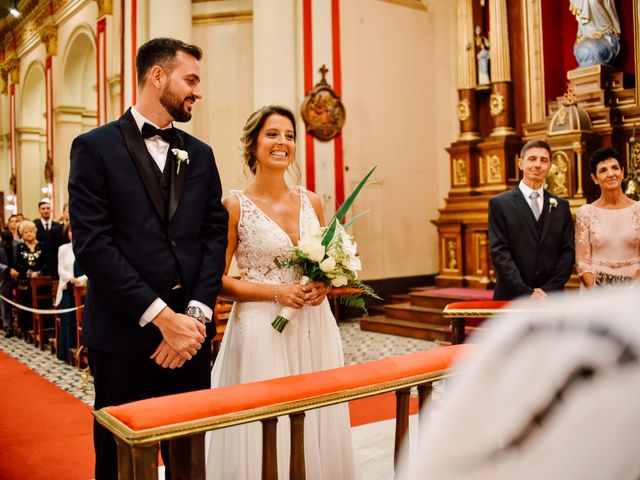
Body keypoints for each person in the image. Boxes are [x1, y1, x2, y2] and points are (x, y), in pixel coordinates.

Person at [69, 37, 228, 480]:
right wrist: (163, 319)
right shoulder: (94, 147)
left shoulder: (200, 154)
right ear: (157, 76)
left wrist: (193, 317)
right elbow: (94, 246)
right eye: (190, 79)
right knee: (122, 463)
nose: (198, 91)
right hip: (123, 338)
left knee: (189, 462)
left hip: (191, 340)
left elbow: (214, 236)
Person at [205, 105, 356, 480]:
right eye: (272, 134)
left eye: (289, 136)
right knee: (267, 417)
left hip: (313, 325)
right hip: (261, 329)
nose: (282, 143)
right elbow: (217, 281)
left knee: (316, 410)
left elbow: (326, 260)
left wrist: (324, 283)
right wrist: (275, 293)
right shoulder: (234, 205)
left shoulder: (312, 202)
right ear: (253, 144)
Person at [488, 139, 575, 300]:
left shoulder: (561, 206)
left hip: (551, 298)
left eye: (544, 160)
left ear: (550, 166)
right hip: (512, 296)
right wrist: (526, 293)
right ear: (520, 163)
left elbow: (568, 252)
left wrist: (548, 290)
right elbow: (499, 252)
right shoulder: (500, 204)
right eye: (532, 159)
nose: (538, 165)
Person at [575, 147, 640, 289]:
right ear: (594, 178)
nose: (611, 174)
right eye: (603, 170)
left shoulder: (638, 209)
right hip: (596, 290)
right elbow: (582, 262)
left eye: (615, 168)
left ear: (622, 172)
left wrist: (631, 288)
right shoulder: (585, 213)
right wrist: (598, 290)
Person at [54, 225, 87, 362]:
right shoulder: (63, 249)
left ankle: (82, 351)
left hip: (84, 288)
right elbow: (61, 269)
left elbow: (91, 268)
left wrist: (81, 280)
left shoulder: (87, 246)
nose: (73, 233)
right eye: (70, 230)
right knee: (68, 320)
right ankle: (66, 354)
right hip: (68, 288)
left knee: (84, 321)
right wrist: (71, 279)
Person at [14, 220, 46, 338]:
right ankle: (27, 331)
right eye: (26, 232)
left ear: (35, 232)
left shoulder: (41, 245)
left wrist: (39, 272)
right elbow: (17, 263)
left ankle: (41, 331)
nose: (29, 234)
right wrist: (29, 272)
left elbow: (46, 261)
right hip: (25, 282)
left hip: (40, 281)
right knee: (26, 306)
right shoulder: (20, 247)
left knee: (42, 304)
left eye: (31, 231)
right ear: (22, 234)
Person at [34, 200, 66, 278]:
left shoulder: (58, 226)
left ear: (51, 210)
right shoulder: (35, 226)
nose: (46, 211)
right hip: (41, 261)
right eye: (43, 208)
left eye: (48, 208)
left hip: (56, 260)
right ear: (39, 210)